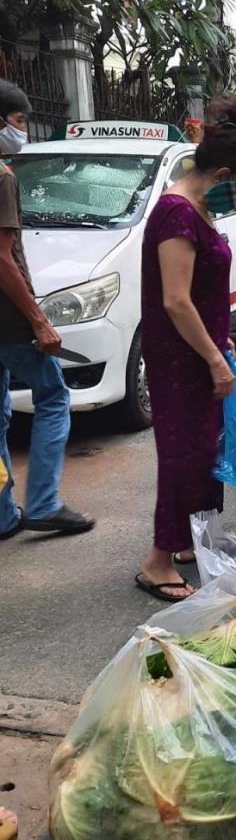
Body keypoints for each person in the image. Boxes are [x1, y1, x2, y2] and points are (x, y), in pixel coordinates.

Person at [136, 93, 236, 600]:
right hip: (179, 359)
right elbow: (174, 300)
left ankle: (187, 540)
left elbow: (201, 292)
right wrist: (213, 357)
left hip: (201, 349)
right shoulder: (177, 214)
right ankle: (157, 561)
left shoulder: (196, 208)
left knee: (203, 448)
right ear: (222, 174)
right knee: (183, 454)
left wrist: (220, 340)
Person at [0, 79, 93, 539]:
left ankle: (2, 515)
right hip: (9, 321)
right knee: (54, 398)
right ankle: (43, 503)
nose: (23, 132)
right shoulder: (2, 176)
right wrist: (38, 319)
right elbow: (1, 257)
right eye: (19, 122)